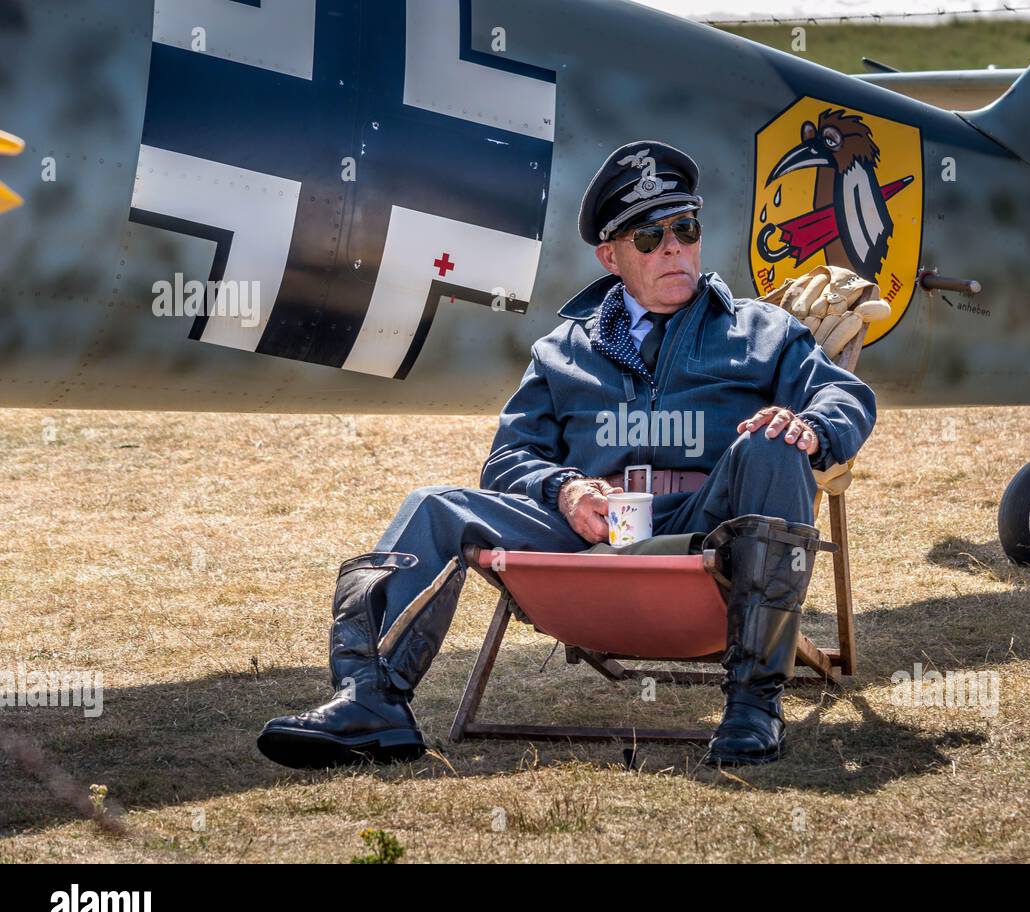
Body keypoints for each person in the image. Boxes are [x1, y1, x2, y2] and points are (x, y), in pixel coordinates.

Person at [257, 140, 878, 769]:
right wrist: (564, 489)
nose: (672, 247)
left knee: (772, 441)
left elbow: (843, 394)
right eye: (648, 237)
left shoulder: (761, 331)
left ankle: (753, 704)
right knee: (433, 507)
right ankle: (370, 697)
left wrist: (810, 425)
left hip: (707, 529)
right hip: (592, 536)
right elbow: (508, 460)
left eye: (685, 228)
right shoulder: (564, 350)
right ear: (611, 256)